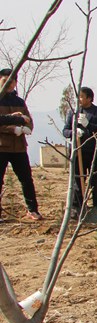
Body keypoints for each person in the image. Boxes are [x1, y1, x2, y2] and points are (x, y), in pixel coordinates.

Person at [0, 68, 43, 221]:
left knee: (26, 179)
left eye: (12, 81)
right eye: (5, 80)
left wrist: (27, 128)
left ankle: (32, 210)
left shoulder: (19, 102)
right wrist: (11, 128)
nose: (9, 84)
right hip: (1, 146)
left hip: (19, 147)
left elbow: (28, 120)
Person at [63, 87, 97, 220]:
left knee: (96, 182)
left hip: (95, 152)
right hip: (79, 152)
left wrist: (88, 125)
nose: (79, 99)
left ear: (89, 98)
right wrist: (73, 132)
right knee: (77, 181)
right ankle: (77, 209)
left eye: (82, 96)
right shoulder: (73, 113)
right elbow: (65, 130)